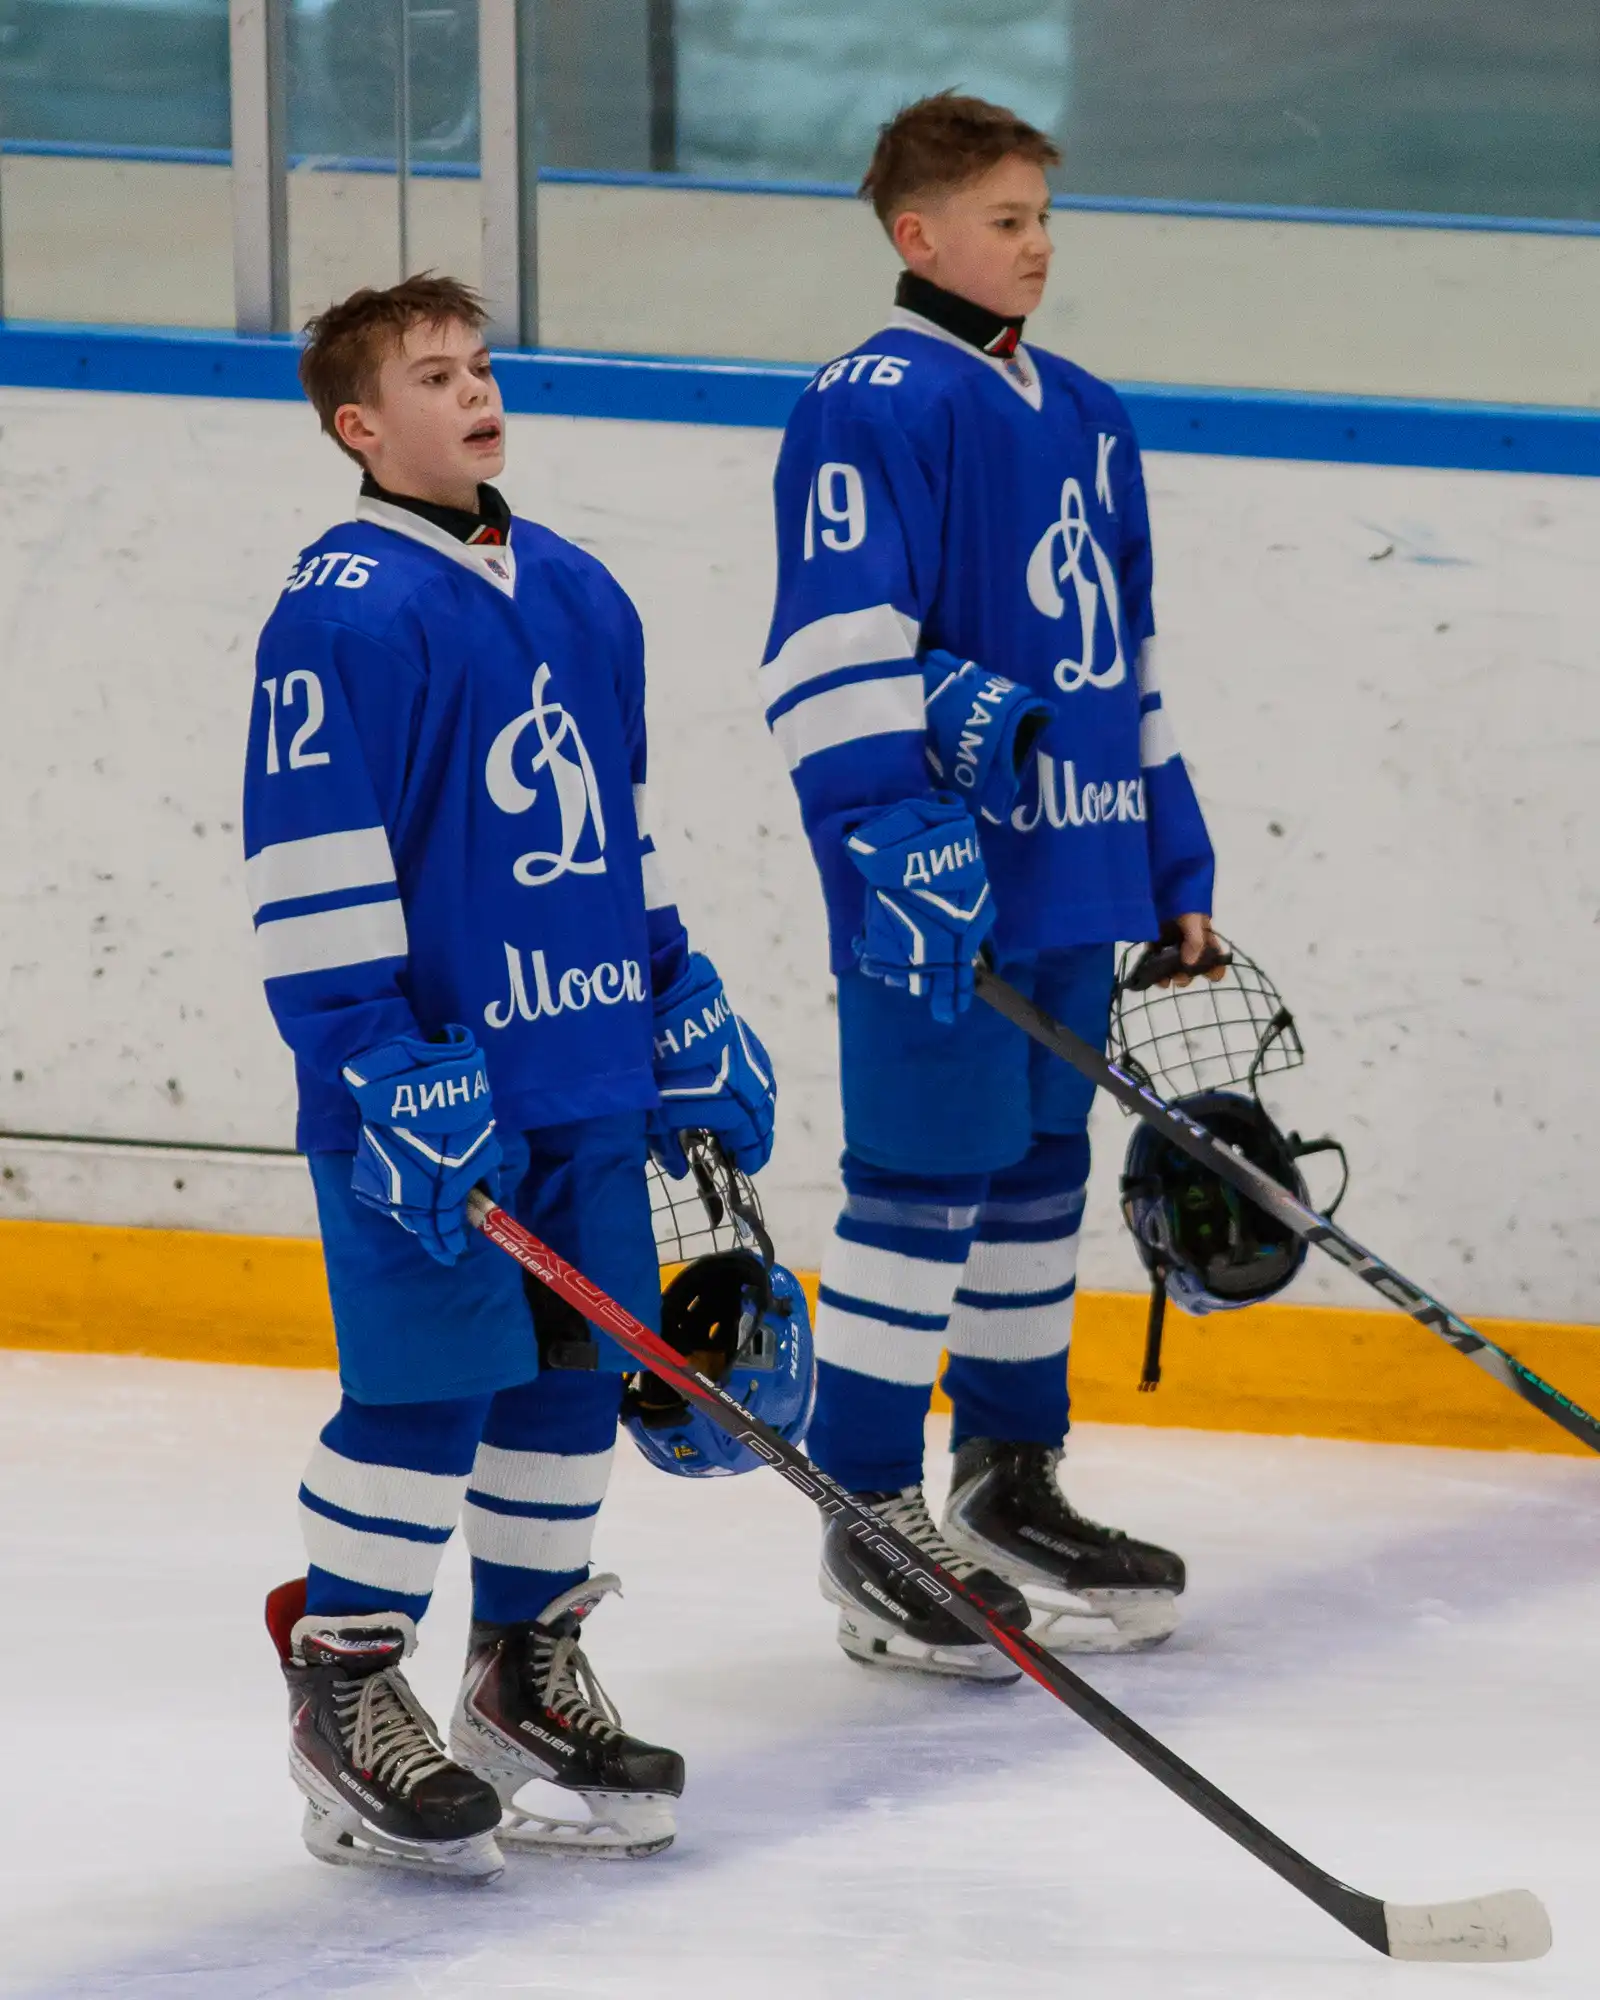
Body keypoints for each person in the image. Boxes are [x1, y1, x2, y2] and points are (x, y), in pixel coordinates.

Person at [243, 275, 776, 1877]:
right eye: (433, 376)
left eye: (480, 366)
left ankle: (522, 1669)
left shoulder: (583, 591)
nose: (475, 392)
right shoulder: (340, 612)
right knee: (422, 1390)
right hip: (429, 1096)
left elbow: (617, 829)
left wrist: (673, 987)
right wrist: (376, 1061)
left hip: (585, 1058)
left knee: (566, 1376)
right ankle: (346, 1683)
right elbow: (312, 869)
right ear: (359, 424)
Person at [759, 94, 1223, 1680]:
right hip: (937, 891)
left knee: (1035, 1181)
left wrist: (1171, 857)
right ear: (920, 235)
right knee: (918, 1186)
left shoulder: (1088, 409)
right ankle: (870, 1508)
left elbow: (1124, 659)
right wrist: (889, 834)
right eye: (1007, 220)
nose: (1037, 247)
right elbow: (830, 645)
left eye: (1043, 219)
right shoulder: (871, 403)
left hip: (1077, 864)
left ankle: (1008, 1480)